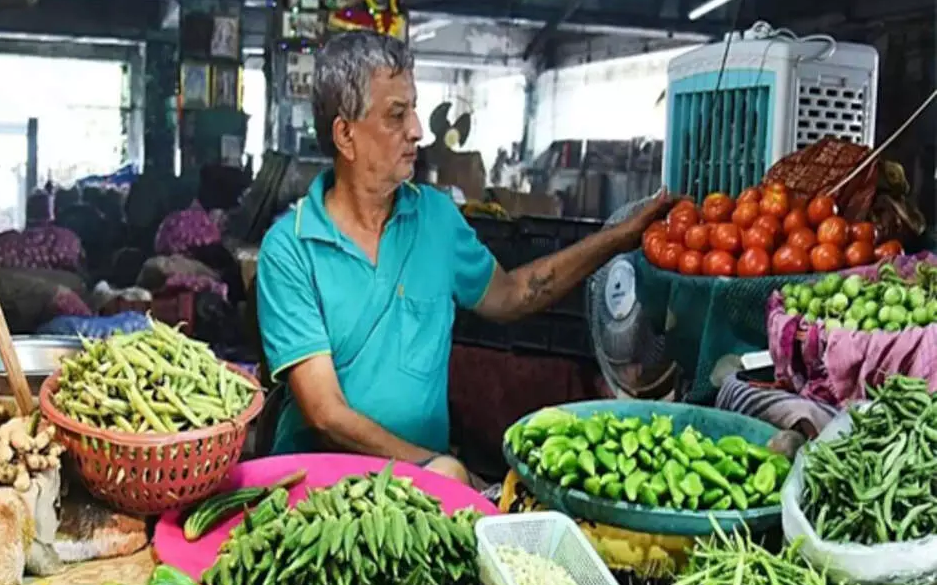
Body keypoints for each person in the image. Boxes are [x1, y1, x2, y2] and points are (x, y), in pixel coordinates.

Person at [255, 31, 669, 484]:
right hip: (314, 487)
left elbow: (511, 295)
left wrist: (617, 237)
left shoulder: (435, 217)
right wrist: (435, 468)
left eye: (414, 108)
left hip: (419, 493)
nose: (417, 129)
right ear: (345, 135)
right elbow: (325, 414)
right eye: (397, 115)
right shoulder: (290, 249)